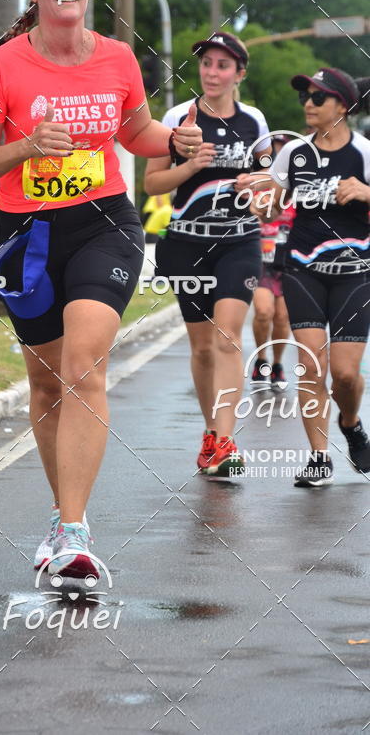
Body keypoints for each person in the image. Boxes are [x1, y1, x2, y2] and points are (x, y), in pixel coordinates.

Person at [0, 0, 202, 579]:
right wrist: (28, 146)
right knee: (45, 382)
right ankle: (61, 512)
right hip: (26, 236)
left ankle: (74, 533)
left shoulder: (119, 58)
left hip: (104, 226)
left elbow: (136, 132)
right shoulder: (3, 67)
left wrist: (174, 140)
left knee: (83, 364)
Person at [144, 32, 271, 477]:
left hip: (239, 242)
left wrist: (256, 187)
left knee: (227, 337)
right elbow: (153, 184)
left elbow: (267, 193)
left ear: (239, 73)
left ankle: (225, 439)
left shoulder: (255, 122)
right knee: (201, 349)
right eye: (206, 64)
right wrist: (191, 166)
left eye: (222, 65)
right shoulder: (179, 117)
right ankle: (211, 435)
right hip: (185, 243)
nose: (211, 72)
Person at [249, 67, 370, 486]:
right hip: (302, 269)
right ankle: (319, 457)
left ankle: (351, 424)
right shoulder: (294, 153)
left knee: (346, 375)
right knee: (311, 365)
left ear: (343, 105)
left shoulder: (364, 152)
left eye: (318, 97)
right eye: (306, 97)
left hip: (354, 273)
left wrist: (366, 191)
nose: (308, 105)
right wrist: (257, 201)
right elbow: (272, 208)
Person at [251, 134, 296, 390]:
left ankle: (277, 364)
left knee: (282, 317)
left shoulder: (299, 185)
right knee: (264, 311)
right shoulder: (259, 182)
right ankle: (261, 359)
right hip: (261, 261)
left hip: (288, 261)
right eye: (275, 147)